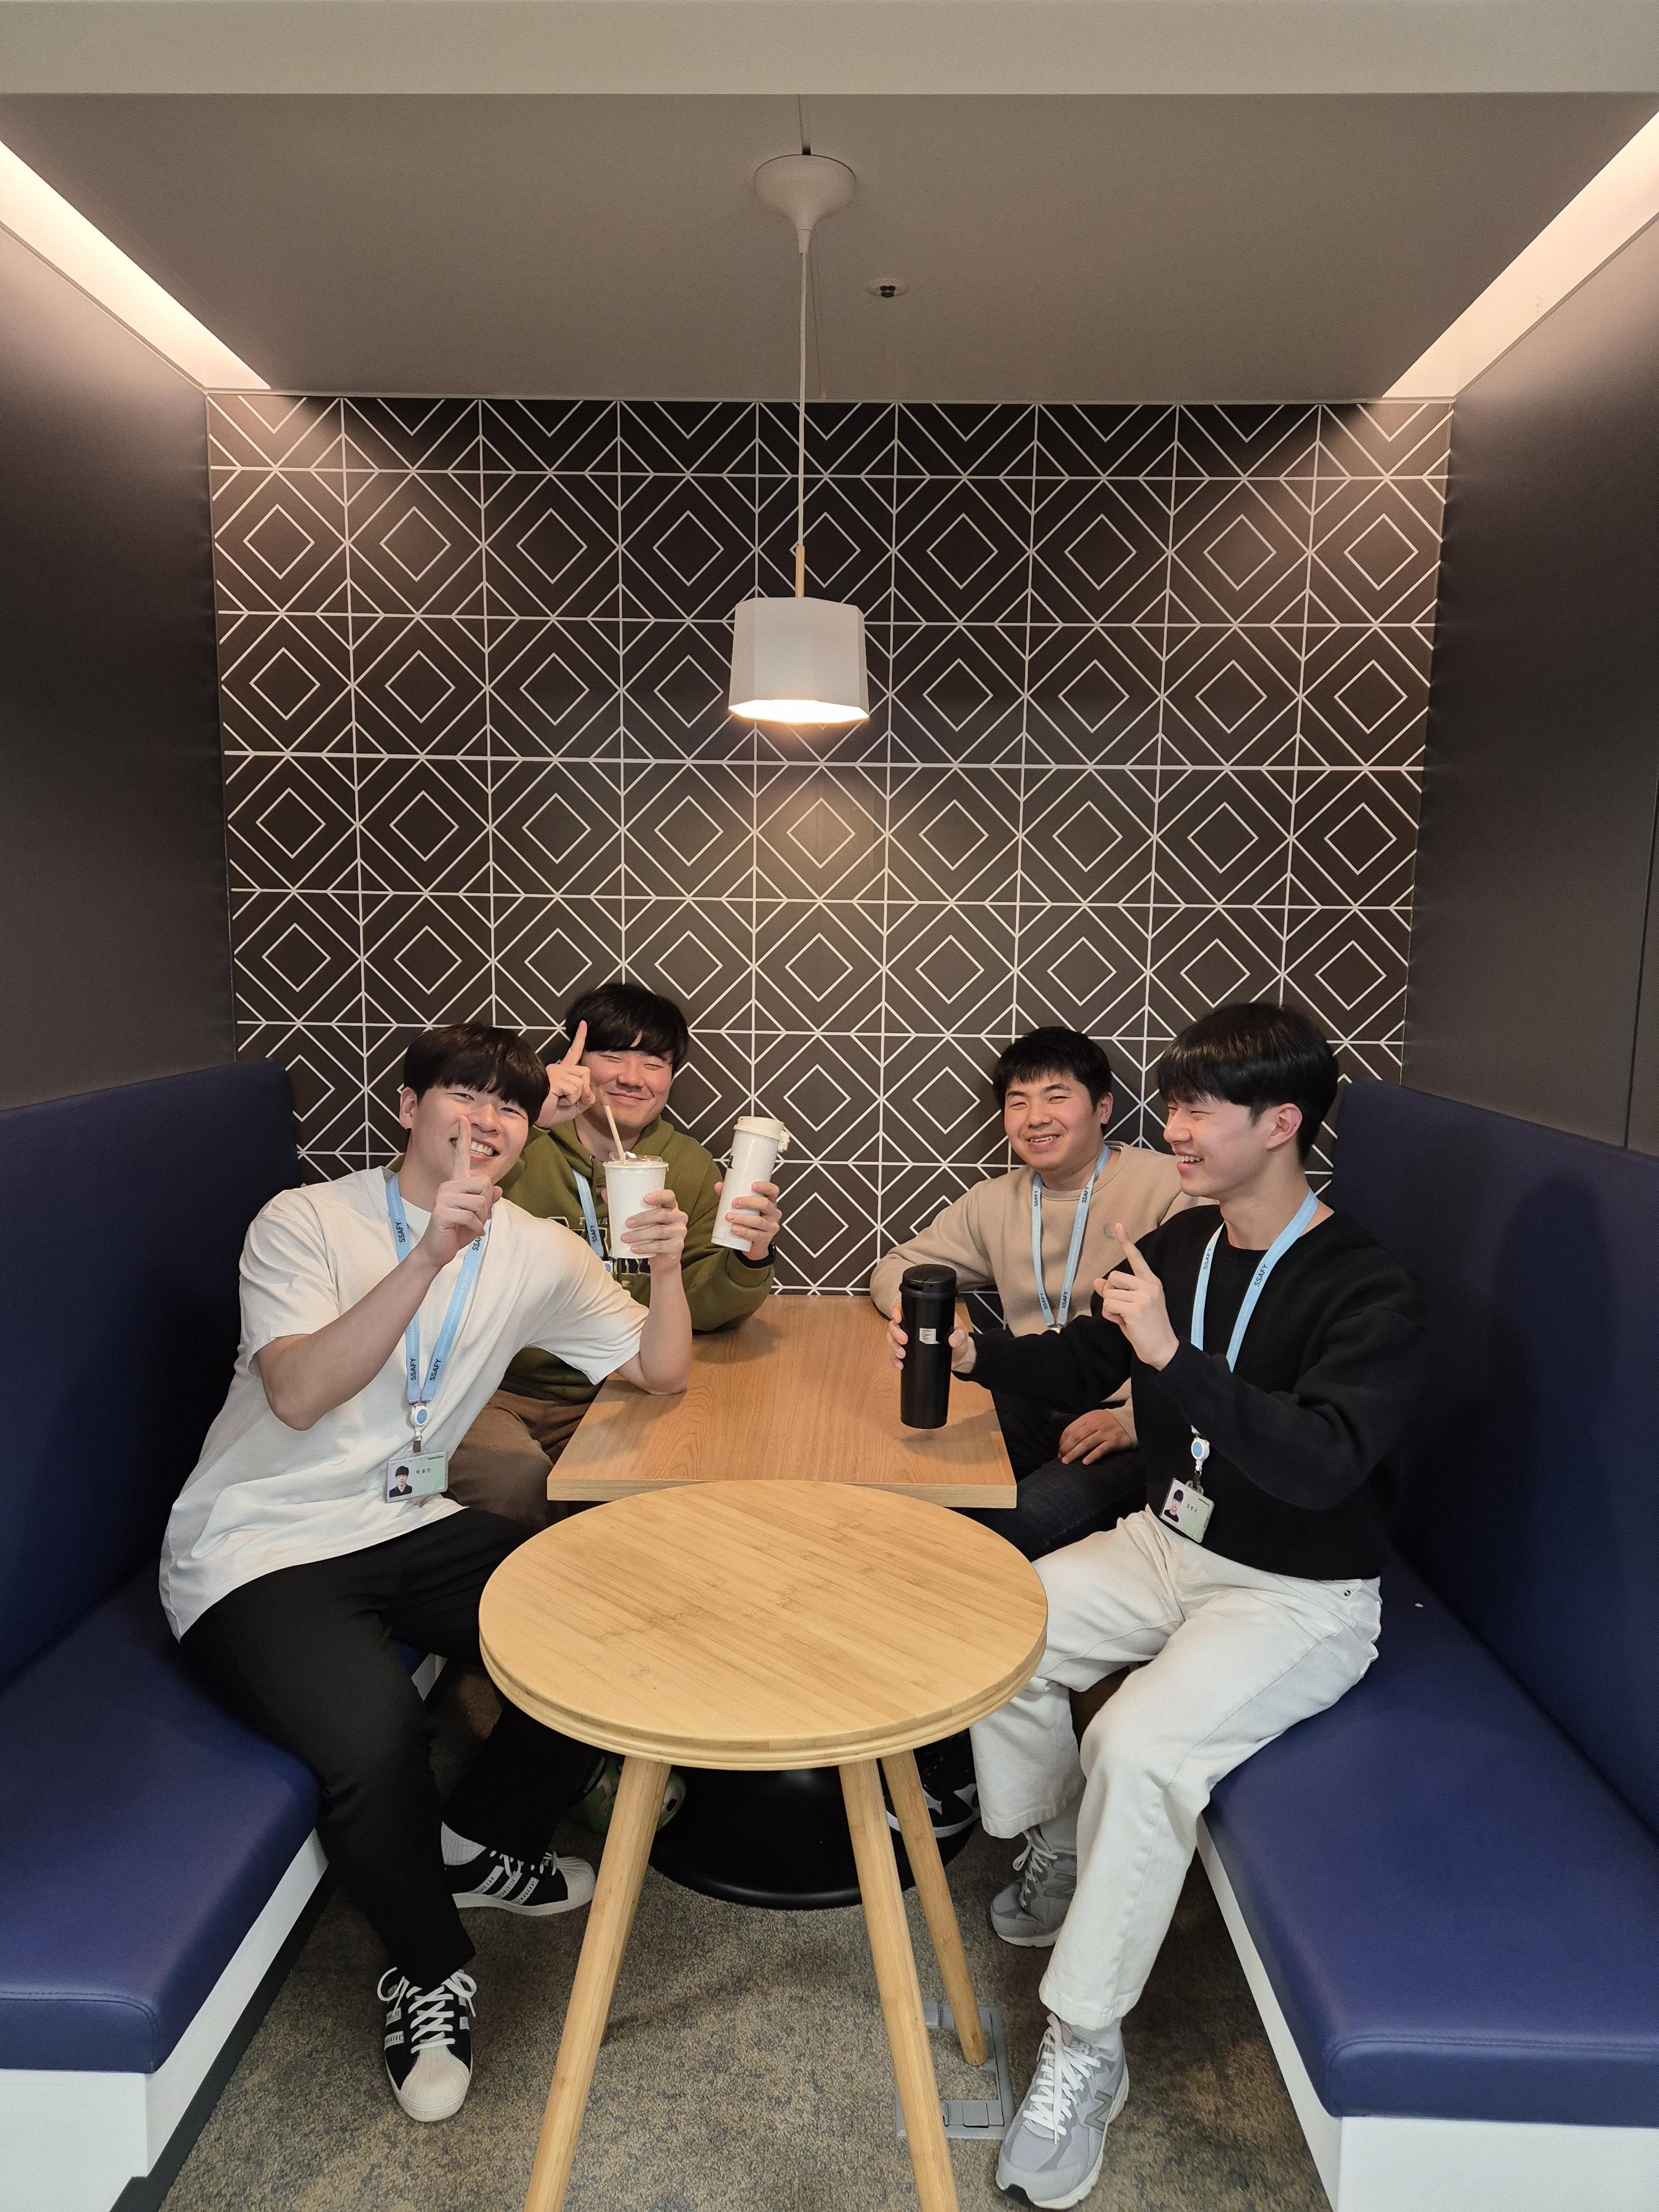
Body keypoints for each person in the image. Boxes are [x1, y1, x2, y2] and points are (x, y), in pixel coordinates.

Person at [888, 1003, 1425, 2209]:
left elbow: (1322, 1464)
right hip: (1168, 1541)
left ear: (1280, 1123)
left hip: (1296, 1595)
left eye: (1199, 1109)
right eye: (1173, 1104)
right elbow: (1090, 1360)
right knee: (1004, 1622)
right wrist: (977, 1356)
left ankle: (1086, 2040)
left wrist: (1173, 1358)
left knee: (1134, 1743)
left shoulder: (1369, 1287)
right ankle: (1057, 1845)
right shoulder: (1186, 1239)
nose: (1173, 1128)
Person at [161, 1024, 692, 2125]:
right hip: (260, 1544)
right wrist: (424, 1257)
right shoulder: (305, 1222)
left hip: (404, 1519)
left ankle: (477, 1840)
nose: (487, 1120)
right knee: (377, 1739)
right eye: (464, 1094)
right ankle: (428, 1969)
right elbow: (298, 1395)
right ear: (408, 1106)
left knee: (615, 1616)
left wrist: (671, 1261)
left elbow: (661, 1368)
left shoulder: (538, 1249)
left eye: (511, 1106)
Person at [447, 981, 784, 1526]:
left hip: (623, 1385)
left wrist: (751, 1256)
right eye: (612, 1055)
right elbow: (419, 1203)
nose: (632, 1077)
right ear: (576, 1062)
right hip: (494, 1385)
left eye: (654, 1061)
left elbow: (704, 1308)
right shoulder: (517, 1142)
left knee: (672, 1495)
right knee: (516, 1482)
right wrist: (532, 1116)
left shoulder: (688, 1166)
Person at [870, 1027, 1190, 1560]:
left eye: (1056, 1097)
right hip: (1026, 1393)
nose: (1035, 1118)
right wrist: (921, 1316)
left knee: (1008, 1534)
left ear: (1104, 1107)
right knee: (916, 1492)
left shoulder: (1172, 1188)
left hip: (1126, 1416)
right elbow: (896, 1267)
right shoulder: (994, 1201)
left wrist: (1133, 1420)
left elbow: (1207, 1329)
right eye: (1018, 1102)